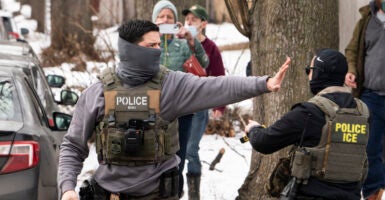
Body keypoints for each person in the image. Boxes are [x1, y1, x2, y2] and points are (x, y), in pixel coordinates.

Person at [59, 19, 291, 200]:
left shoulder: (171, 85)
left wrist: (264, 83)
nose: (158, 51)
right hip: (112, 194)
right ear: (129, 50)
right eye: (151, 46)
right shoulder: (97, 93)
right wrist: (67, 187)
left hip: (160, 194)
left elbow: (218, 86)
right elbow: (72, 145)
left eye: (159, 44)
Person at [245, 49, 369, 200]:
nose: (308, 75)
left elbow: (264, 142)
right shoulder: (363, 112)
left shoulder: (309, 112)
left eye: (309, 70)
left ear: (318, 73)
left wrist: (253, 129)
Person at [151, 1, 210, 197]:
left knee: (179, 157)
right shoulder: (148, 44)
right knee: (154, 158)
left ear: (176, 22)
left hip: (182, 111)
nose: (165, 20)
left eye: (170, 17)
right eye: (161, 17)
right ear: (154, 20)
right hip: (153, 110)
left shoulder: (183, 44)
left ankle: (176, 193)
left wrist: (193, 41)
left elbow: (204, 63)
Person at [182, 4, 226, 199]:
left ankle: (194, 193)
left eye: (194, 19)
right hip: (178, 105)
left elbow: (219, 78)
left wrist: (219, 106)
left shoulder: (210, 48)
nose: (189, 22)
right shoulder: (178, 44)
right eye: (187, 19)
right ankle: (174, 189)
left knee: (191, 149)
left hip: (200, 106)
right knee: (175, 150)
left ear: (203, 24)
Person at [344, 0, 385, 199]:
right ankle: (373, 193)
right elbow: (352, 51)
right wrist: (351, 71)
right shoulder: (366, 20)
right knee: (369, 149)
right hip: (371, 96)